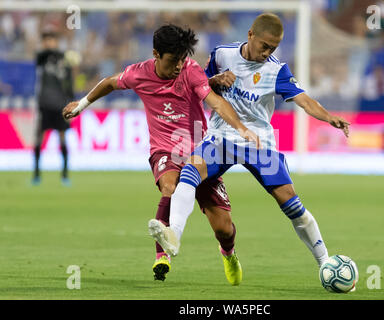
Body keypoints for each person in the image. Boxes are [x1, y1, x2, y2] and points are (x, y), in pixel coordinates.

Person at [149, 14, 350, 277]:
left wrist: (328, 116)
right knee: (189, 172)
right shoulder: (222, 55)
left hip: (259, 143)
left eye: (273, 48)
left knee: (290, 203)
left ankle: (324, 262)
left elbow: (304, 100)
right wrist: (217, 79)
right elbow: (200, 86)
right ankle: (173, 236)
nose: (267, 53)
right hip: (221, 137)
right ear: (251, 34)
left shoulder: (277, 70)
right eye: (264, 46)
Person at [62, 24, 260, 284]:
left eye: (181, 59)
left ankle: (228, 253)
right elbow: (110, 82)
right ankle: (162, 255)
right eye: (172, 61)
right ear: (156, 54)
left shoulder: (191, 71)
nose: (178, 66)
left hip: (201, 153)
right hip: (165, 149)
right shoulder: (139, 74)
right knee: (170, 185)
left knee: (223, 227)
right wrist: (83, 103)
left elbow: (215, 101)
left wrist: (242, 129)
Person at [33, 31, 74, 186]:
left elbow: (69, 84)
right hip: (45, 104)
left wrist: (72, 104)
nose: (48, 43)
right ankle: (36, 174)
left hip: (60, 105)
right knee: (39, 137)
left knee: (63, 138)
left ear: (56, 41)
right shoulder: (42, 58)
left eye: (51, 40)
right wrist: (50, 49)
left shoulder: (64, 60)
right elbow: (39, 57)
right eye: (46, 41)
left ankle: (65, 174)